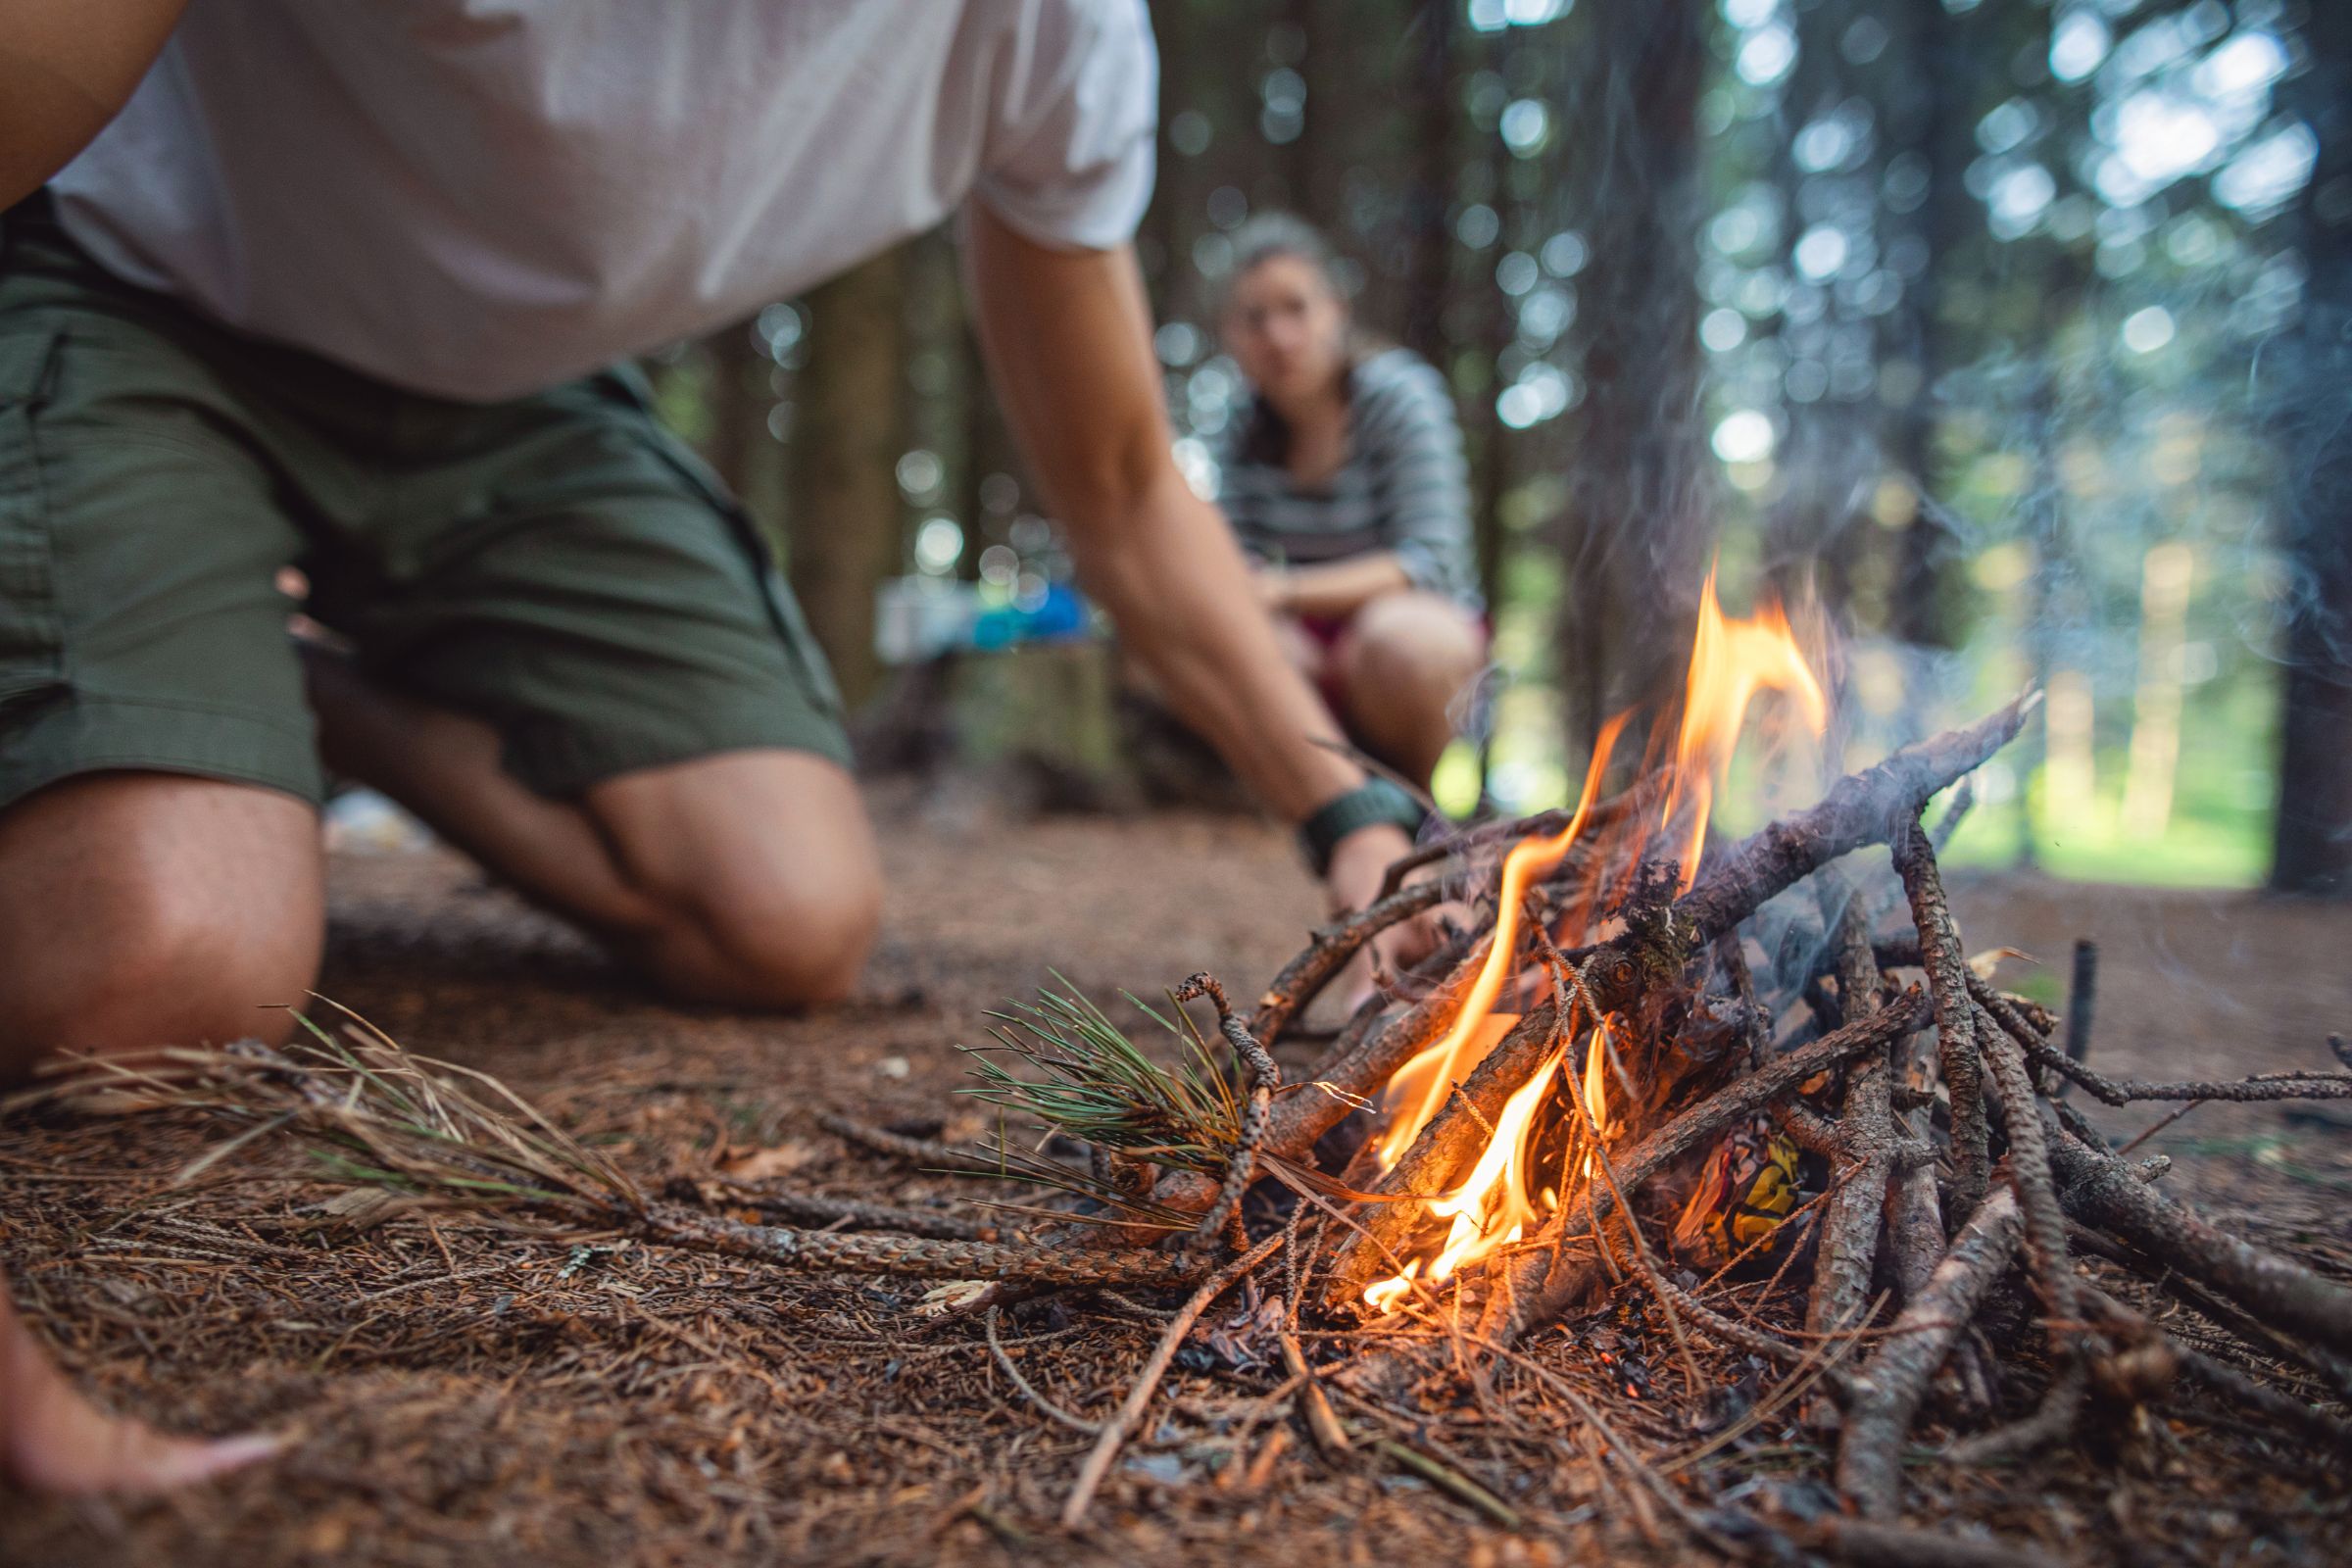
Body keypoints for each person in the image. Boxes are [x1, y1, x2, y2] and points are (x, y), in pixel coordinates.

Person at [0, 0, 1432, 1490]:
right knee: (152, 979)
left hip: (523, 403)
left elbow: (1126, 484)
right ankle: (177, 677)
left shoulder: (1049, 28)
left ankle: (283, 675)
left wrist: (1348, 812)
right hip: (140, 293)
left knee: (785, 916)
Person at [1212, 216, 1489, 790]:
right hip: (1306, 648)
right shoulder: (1241, 427)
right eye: (1255, 319)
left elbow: (1429, 564)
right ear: (1232, 337)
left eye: (1296, 308)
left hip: (1407, 638)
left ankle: (1414, 808)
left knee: (1405, 645)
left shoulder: (1398, 397)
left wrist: (1286, 592)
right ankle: (1323, 808)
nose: (1278, 337)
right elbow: (1236, 567)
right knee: (1232, 646)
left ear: (1336, 310)